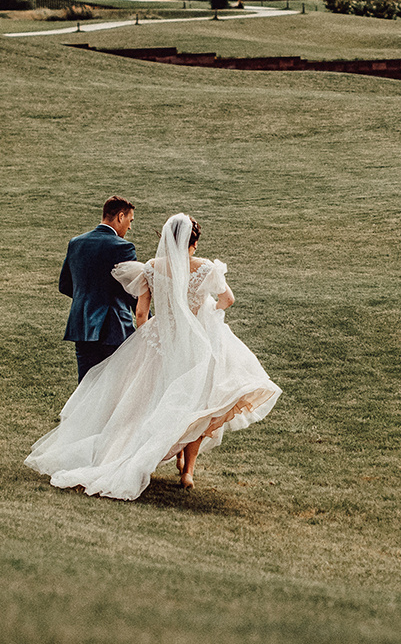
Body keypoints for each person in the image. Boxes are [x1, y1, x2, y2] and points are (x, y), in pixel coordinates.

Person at [27, 213, 282, 499]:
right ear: (193, 242)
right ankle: (188, 471)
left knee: (151, 404)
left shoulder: (151, 268)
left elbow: (140, 314)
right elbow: (228, 300)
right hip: (196, 344)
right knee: (198, 401)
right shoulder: (206, 268)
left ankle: (129, 455)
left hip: (162, 342)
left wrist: (151, 338)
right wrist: (207, 311)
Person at [59, 196, 137, 382]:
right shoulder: (123, 246)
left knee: (86, 389)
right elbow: (133, 292)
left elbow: (65, 285)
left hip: (82, 327)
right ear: (120, 216)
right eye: (130, 220)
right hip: (114, 329)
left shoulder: (76, 243)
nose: (130, 227)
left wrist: (88, 299)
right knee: (115, 389)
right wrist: (148, 321)